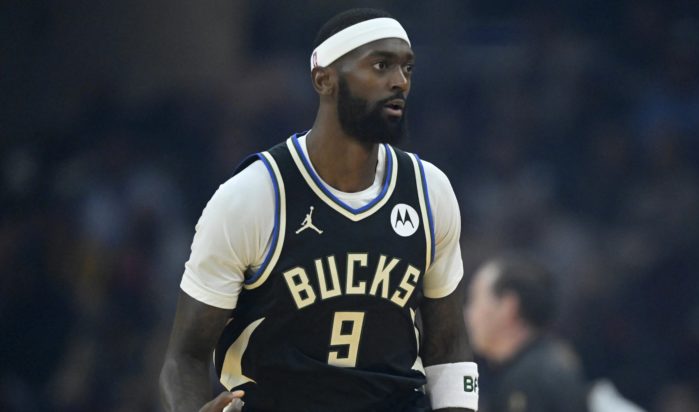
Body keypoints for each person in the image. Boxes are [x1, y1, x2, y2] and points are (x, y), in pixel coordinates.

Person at [160, 8, 478, 412]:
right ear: (323, 79)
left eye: (407, 68)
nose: (400, 81)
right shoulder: (253, 196)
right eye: (381, 65)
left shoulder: (429, 191)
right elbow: (184, 356)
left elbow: (448, 344)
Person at [464, 255, 588, 412]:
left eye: (474, 299)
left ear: (508, 307)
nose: (467, 314)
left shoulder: (528, 382)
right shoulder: (549, 362)